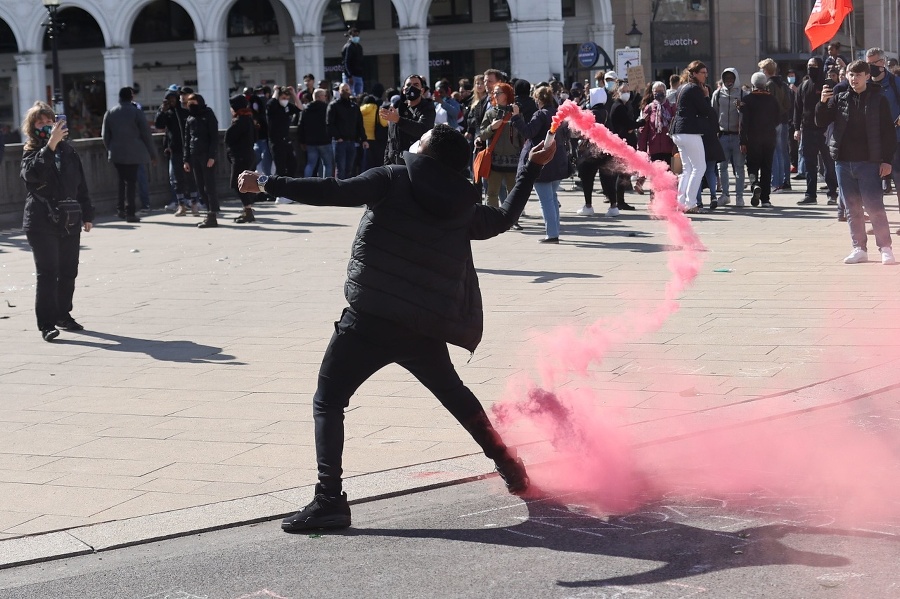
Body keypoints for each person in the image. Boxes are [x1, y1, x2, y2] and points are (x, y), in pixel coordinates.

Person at [236, 124, 555, 531]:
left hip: (370, 319)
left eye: (420, 139)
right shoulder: (462, 204)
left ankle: (330, 499)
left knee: (328, 400)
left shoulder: (391, 178)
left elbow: (333, 190)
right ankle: (511, 467)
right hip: (422, 326)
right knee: (455, 397)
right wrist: (530, 166)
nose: (413, 141)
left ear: (427, 151)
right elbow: (506, 217)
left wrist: (267, 182)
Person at [20, 101, 94, 341]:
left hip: (69, 217)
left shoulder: (69, 151)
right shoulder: (30, 151)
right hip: (41, 220)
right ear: (32, 128)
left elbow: (80, 185)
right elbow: (32, 175)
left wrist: (88, 214)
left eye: (48, 121)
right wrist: (49, 146)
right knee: (48, 272)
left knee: (68, 270)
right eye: (39, 122)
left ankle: (64, 314)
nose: (44, 125)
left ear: (57, 122)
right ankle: (47, 324)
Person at [816, 60, 897, 265]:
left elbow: (888, 133)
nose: (854, 79)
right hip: (843, 162)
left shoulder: (879, 100)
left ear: (867, 76)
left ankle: (885, 248)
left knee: (874, 206)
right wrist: (823, 103)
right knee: (852, 208)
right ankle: (859, 248)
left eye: (858, 75)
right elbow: (820, 122)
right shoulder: (840, 98)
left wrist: (886, 161)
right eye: (851, 75)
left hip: (869, 162)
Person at [510, 84, 570, 243]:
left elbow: (528, 132)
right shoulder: (556, 114)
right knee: (552, 197)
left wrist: (516, 117)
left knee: (546, 200)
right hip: (557, 162)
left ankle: (552, 234)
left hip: (542, 163)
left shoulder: (540, 114)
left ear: (538, 99)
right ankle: (555, 230)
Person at [101, 86, 156, 223]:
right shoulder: (136, 112)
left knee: (121, 180)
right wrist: (152, 153)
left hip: (117, 152)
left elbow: (105, 135)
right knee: (131, 182)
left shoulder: (110, 112)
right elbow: (146, 134)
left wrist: (110, 148)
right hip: (134, 152)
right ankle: (130, 212)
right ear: (131, 97)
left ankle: (120, 209)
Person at [670, 61, 715, 213]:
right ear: (694, 74)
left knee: (687, 169)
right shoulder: (695, 89)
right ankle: (690, 203)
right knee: (699, 167)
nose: (705, 75)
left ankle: (680, 202)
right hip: (689, 131)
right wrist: (707, 97)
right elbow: (705, 111)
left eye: (706, 72)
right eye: (702, 72)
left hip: (678, 131)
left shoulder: (682, 87)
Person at [794, 57, 838, 205]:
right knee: (809, 164)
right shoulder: (803, 86)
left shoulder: (828, 85)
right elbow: (798, 109)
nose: (811, 68)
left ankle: (832, 193)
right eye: (809, 66)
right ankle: (810, 194)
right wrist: (796, 128)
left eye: (814, 65)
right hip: (807, 130)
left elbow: (834, 108)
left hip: (824, 131)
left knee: (828, 164)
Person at [864, 48, 900, 208]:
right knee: (872, 185)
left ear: (882, 63)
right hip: (871, 142)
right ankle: (878, 223)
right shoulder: (864, 85)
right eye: (867, 63)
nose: (870, 67)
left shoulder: (896, 83)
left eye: (873, 63)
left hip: (896, 140)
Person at [479, 82, 524, 208]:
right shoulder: (490, 113)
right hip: (495, 160)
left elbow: (523, 135)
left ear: (507, 95)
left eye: (498, 92)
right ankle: (492, 219)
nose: (495, 95)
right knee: (492, 192)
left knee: (513, 193)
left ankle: (512, 219)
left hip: (513, 160)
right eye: (494, 92)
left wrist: (517, 117)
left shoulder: (516, 113)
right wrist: (491, 128)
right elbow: (482, 135)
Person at [155, 90, 199, 217]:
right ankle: (181, 205)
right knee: (177, 180)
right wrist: (161, 110)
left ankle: (194, 204)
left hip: (188, 150)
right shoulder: (167, 114)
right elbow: (159, 124)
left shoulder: (185, 112)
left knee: (190, 177)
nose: (172, 101)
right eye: (169, 99)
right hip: (175, 151)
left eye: (174, 98)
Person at [740, 72, 780, 208]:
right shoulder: (772, 99)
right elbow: (779, 118)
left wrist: (742, 141)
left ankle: (755, 184)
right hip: (769, 138)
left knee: (752, 166)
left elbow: (743, 123)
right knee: (767, 168)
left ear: (753, 84)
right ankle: (765, 199)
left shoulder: (747, 100)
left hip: (753, 139)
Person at [380, 74, 436, 165]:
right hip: (395, 164)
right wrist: (387, 165)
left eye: (416, 85)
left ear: (422, 90)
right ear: (403, 90)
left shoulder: (427, 108)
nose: (412, 88)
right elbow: (390, 141)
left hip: (416, 164)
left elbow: (423, 129)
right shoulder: (397, 110)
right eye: (409, 85)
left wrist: (399, 120)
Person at [183, 94, 220, 229]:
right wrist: (186, 159)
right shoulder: (190, 118)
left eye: (193, 101)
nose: (191, 104)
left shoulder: (208, 114)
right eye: (189, 102)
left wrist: (212, 156)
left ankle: (212, 215)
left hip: (206, 155)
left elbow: (214, 137)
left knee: (209, 186)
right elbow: (186, 140)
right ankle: (208, 214)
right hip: (194, 155)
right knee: (200, 186)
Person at [711, 68, 746, 207]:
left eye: (732, 78)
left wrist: (740, 108)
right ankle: (725, 195)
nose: (729, 81)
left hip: (738, 136)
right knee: (722, 167)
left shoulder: (743, 94)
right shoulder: (718, 93)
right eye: (726, 79)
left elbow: (747, 115)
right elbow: (713, 113)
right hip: (723, 135)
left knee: (739, 167)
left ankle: (739, 197)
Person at [759, 58, 793, 193]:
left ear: (766, 71)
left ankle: (776, 182)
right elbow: (788, 104)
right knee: (783, 152)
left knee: (774, 152)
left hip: (773, 121)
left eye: (762, 69)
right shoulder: (784, 84)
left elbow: (767, 105)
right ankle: (786, 181)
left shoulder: (768, 85)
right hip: (783, 120)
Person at [575, 87, 609, 216]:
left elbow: (584, 131)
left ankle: (588, 205)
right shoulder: (606, 112)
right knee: (607, 178)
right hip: (605, 149)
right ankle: (613, 206)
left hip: (591, 151)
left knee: (587, 177)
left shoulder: (591, 113)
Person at [225, 94, 258, 224]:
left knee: (239, 184)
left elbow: (228, 139)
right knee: (244, 184)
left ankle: (248, 210)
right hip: (249, 155)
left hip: (240, 157)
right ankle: (247, 210)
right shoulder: (249, 119)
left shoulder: (239, 122)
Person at [328, 83, 367, 179]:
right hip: (339, 142)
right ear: (339, 91)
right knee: (340, 168)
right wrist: (337, 137)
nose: (345, 92)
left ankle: (347, 190)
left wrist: (364, 139)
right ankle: (339, 190)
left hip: (352, 141)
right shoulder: (334, 105)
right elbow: (329, 124)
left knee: (350, 168)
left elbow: (359, 124)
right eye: (343, 90)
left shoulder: (354, 106)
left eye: (347, 89)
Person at [267, 86, 301, 190]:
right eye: (283, 97)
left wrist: (294, 94)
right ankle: (278, 191)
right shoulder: (274, 106)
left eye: (287, 98)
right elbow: (270, 104)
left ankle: (288, 188)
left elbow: (300, 108)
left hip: (286, 140)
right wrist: (276, 91)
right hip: (276, 141)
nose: (285, 100)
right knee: (280, 167)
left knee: (293, 165)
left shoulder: (287, 107)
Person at [299, 88, 334, 178]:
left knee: (310, 164)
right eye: (324, 95)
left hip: (310, 141)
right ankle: (326, 185)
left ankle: (306, 184)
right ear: (320, 96)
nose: (325, 97)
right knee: (327, 164)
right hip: (325, 140)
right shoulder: (327, 108)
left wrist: (302, 141)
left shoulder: (306, 109)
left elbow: (301, 126)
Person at [359, 94, 387, 172]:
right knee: (376, 163)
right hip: (375, 139)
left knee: (365, 163)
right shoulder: (377, 110)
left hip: (363, 139)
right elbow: (384, 123)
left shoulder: (360, 110)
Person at [341, 27, 364, 96]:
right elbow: (346, 62)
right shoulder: (348, 47)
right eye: (354, 35)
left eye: (357, 35)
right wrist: (349, 76)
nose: (356, 37)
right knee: (350, 94)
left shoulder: (359, 47)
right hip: (351, 75)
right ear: (350, 36)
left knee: (359, 95)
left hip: (358, 75)